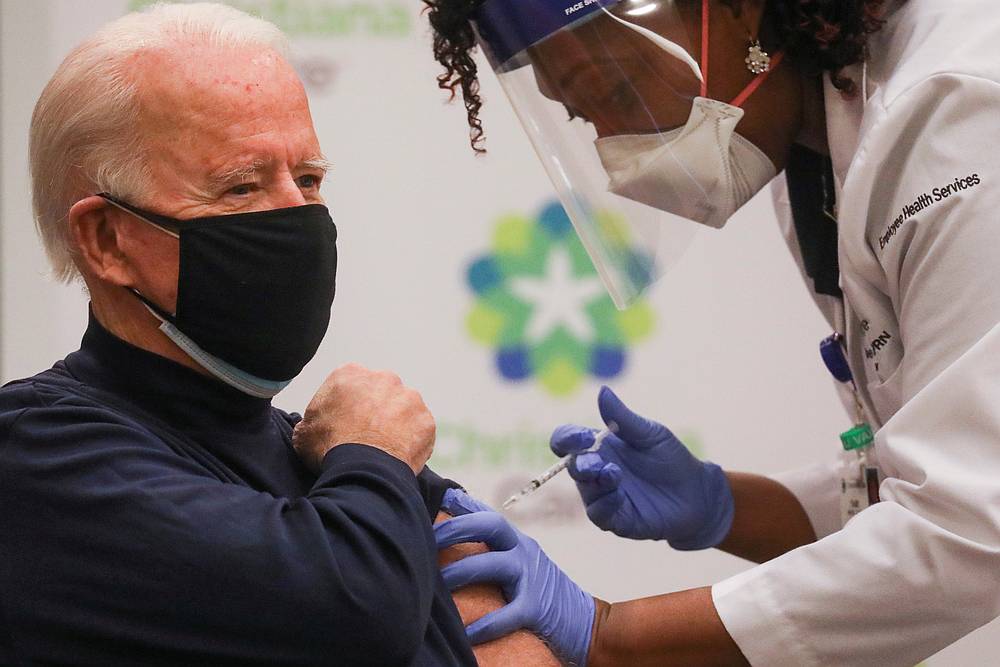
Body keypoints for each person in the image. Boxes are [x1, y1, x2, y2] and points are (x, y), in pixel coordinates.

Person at [425, 0, 1000, 664]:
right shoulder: (820, 159)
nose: (616, 156)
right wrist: (725, 505)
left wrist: (609, 634)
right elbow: (918, 484)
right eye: (586, 118)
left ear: (736, 13)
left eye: (612, 90)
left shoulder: (953, 115)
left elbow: (969, 526)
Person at [0, 3, 561, 664]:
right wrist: (377, 452)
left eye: (309, 179)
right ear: (106, 240)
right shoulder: (38, 454)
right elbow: (357, 615)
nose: (298, 219)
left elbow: (514, 645)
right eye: (240, 187)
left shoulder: (319, 451)